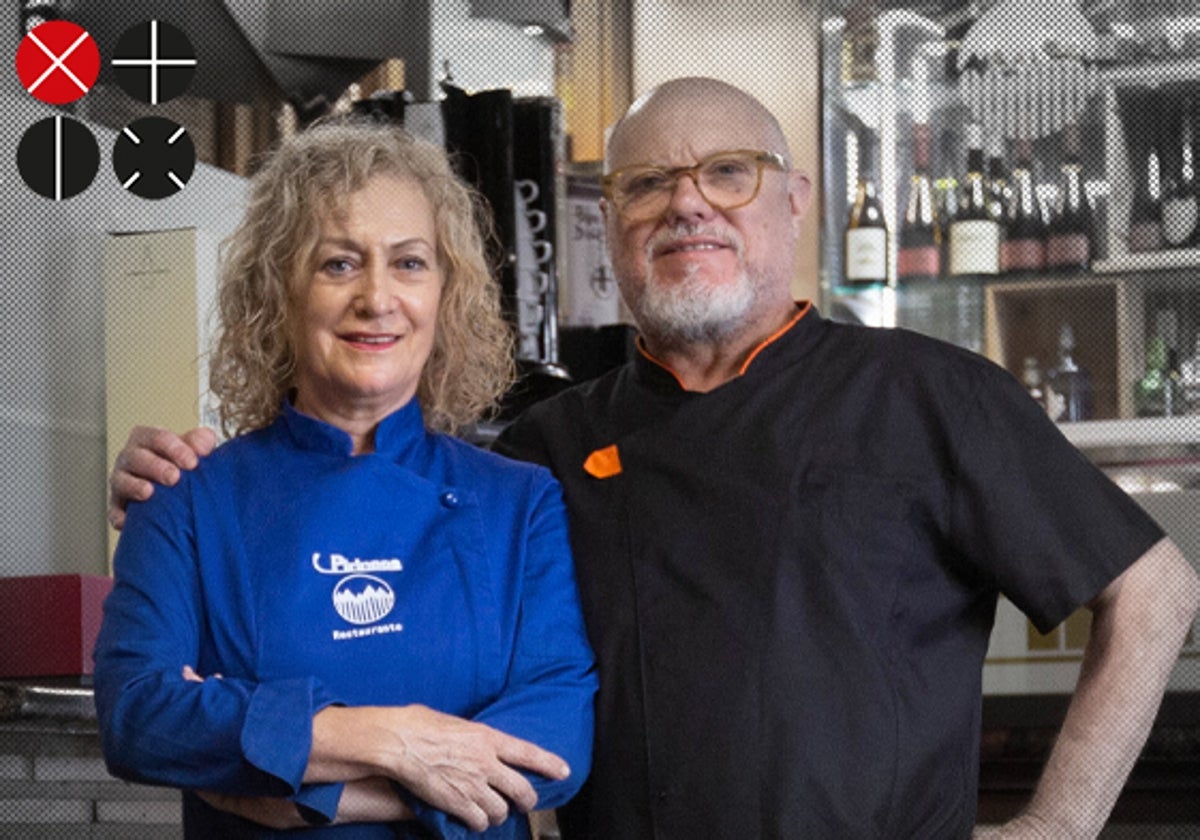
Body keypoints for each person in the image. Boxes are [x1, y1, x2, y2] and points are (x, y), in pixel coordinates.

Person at [108, 78, 1200, 839]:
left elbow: (1154, 589)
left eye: (729, 172)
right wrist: (171, 482)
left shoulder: (927, 394)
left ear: (794, 201)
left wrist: (1055, 827)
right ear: (612, 226)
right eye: (646, 184)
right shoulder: (548, 449)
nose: (688, 203)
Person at [94, 119, 596, 840]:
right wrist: (394, 739)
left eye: (410, 263)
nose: (377, 297)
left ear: (446, 294)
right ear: (279, 290)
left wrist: (313, 794)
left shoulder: (519, 502)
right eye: (338, 264)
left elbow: (555, 738)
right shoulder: (185, 498)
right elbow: (138, 714)